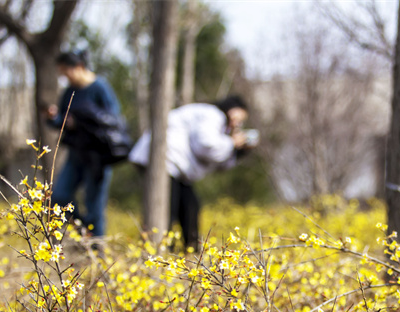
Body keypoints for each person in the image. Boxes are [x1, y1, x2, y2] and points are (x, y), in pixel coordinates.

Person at [129, 95, 257, 252]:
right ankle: (159, 252)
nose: (238, 123)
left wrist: (238, 152)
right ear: (231, 108)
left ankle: (188, 251)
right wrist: (232, 143)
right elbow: (205, 147)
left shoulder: (216, 123)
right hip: (164, 161)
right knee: (169, 210)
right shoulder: (213, 114)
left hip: (173, 165)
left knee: (190, 206)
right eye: (239, 117)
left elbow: (216, 161)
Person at [46, 50, 127, 240]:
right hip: (76, 154)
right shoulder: (69, 91)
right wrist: (53, 118)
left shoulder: (100, 88)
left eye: (66, 72)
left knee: (94, 205)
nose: (65, 77)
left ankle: (96, 247)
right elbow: (63, 120)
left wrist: (83, 121)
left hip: (97, 156)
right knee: (58, 196)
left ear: (79, 67)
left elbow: (114, 119)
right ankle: (83, 232)